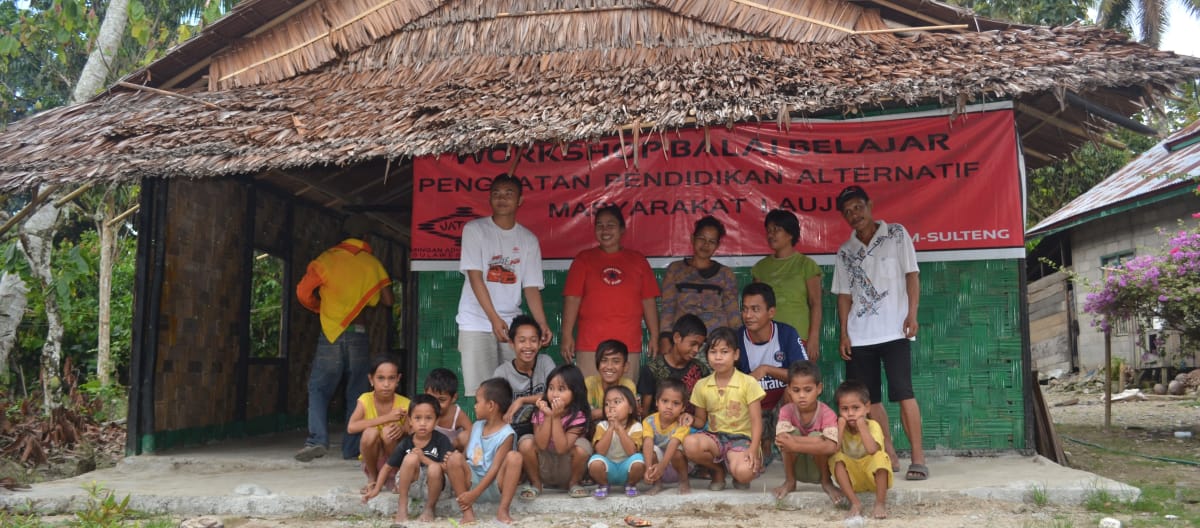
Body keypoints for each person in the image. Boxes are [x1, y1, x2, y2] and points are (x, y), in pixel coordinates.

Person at [831, 185, 927, 481]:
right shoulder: (845, 252)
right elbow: (844, 296)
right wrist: (844, 334)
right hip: (860, 337)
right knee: (869, 401)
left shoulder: (897, 234)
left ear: (870, 205)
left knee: (904, 394)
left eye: (858, 207)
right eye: (847, 212)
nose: (854, 215)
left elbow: (912, 276)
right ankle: (888, 451)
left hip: (896, 331)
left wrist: (912, 314)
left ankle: (919, 459)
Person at [295, 214, 393, 461]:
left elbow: (302, 291)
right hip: (358, 333)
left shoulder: (326, 260)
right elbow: (389, 300)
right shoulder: (372, 263)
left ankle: (317, 440)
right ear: (366, 238)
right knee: (357, 391)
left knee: (318, 388)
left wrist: (319, 306)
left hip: (331, 333)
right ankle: (351, 448)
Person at [457, 174, 552, 395]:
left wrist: (542, 324)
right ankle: (483, 431)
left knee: (514, 390)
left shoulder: (528, 239)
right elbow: (475, 277)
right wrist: (493, 318)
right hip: (476, 322)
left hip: (512, 324)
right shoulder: (475, 229)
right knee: (482, 393)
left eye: (509, 194)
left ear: (520, 200)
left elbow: (531, 287)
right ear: (489, 199)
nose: (502, 198)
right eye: (496, 194)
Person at [562, 205, 661, 380]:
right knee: (591, 400)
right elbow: (572, 299)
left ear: (622, 229)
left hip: (627, 343)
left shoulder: (638, 260)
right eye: (599, 225)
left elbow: (648, 301)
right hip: (590, 344)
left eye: (610, 225)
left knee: (624, 399)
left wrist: (654, 335)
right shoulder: (583, 259)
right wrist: (567, 335)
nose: (605, 230)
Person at [683, 327, 765, 491]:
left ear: (736, 355)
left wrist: (753, 449)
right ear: (707, 355)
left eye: (724, 351)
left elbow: (757, 421)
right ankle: (717, 471)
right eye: (713, 352)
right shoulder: (702, 385)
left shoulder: (748, 382)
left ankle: (736, 471)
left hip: (742, 439)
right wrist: (691, 420)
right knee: (690, 444)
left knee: (744, 473)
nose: (718, 357)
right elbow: (701, 421)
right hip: (715, 438)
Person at [737, 282, 808, 465]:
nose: (748, 315)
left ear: (771, 312)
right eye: (745, 309)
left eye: (755, 309)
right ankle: (762, 443)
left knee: (797, 391)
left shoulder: (786, 333)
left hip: (780, 405)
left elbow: (806, 374)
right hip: (753, 408)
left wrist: (766, 369)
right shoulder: (736, 338)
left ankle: (792, 450)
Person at [362, 394, 452, 523]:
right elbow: (387, 467)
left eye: (428, 418)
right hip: (412, 487)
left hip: (435, 488)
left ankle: (429, 508)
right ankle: (402, 506)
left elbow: (447, 467)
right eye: (417, 418)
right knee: (410, 458)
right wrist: (376, 489)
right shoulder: (406, 442)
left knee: (434, 468)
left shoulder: (441, 440)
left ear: (437, 421)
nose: (422, 423)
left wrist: (424, 459)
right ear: (410, 420)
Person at [445, 378, 523, 524]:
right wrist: (452, 463)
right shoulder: (476, 426)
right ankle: (467, 513)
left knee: (515, 457)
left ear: (491, 405)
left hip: (495, 483)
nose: (474, 406)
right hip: (471, 481)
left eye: (477, 402)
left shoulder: (507, 434)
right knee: (454, 458)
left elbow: (495, 469)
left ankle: (503, 510)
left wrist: (475, 493)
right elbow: (466, 456)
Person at [752, 209, 824, 362]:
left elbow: (816, 304)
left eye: (776, 230)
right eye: (769, 231)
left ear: (791, 234)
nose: (771, 234)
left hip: (799, 336)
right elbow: (755, 307)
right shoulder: (760, 268)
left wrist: (813, 338)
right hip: (767, 338)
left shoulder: (807, 265)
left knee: (800, 382)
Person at [516, 364, 593, 500]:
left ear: (575, 392)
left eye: (561, 389)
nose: (554, 393)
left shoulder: (578, 416)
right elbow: (541, 445)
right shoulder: (541, 411)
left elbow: (562, 448)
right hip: (545, 467)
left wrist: (556, 418)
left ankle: (574, 483)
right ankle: (536, 484)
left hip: (566, 469)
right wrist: (547, 416)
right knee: (526, 441)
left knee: (583, 446)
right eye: (551, 388)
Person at [659, 215, 740, 338]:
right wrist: (665, 337)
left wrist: (736, 341)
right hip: (683, 343)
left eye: (712, 241)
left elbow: (733, 313)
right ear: (692, 238)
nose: (706, 244)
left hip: (716, 344)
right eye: (702, 238)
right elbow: (668, 308)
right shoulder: (675, 270)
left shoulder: (725, 274)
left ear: (717, 245)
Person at [772, 361, 841, 504]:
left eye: (808, 390)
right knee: (794, 435)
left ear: (819, 388)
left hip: (818, 468)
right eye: (796, 390)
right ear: (789, 390)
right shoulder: (786, 410)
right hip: (797, 467)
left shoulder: (826, 413)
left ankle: (826, 482)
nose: (802, 395)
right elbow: (782, 440)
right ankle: (790, 481)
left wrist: (796, 445)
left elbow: (831, 446)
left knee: (815, 436)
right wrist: (817, 442)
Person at [830, 380, 893, 520]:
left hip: (872, 478)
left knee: (880, 457)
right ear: (839, 411)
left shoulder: (873, 425)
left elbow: (872, 449)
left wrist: (861, 426)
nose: (850, 413)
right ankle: (855, 503)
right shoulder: (839, 427)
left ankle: (880, 503)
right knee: (836, 458)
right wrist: (839, 428)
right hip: (852, 480)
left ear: (867, 407)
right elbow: (834, 450)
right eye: (845, 409)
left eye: (856, 408)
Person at [347, 355, 410, 492]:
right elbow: (351, 427)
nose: (386, 384)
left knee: (388, 433)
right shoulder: (365, 400)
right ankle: (373, 477)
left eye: (391, 378)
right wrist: (387, 417)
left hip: (395, 458)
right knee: (370, 433)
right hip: (374, 459)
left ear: (398, 379)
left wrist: (403, 429)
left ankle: (396, 476)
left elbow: (414, 430)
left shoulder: (405, 404)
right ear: (371, 379)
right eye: (380, 378)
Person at [637, 314, 710, 417]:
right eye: (693, 344)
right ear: (677, 338)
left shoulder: (701, 370)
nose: (696, 350)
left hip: (691, 429)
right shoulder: (651, 369)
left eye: (700, 346)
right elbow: (645, 412)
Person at [493, 314, 557, 433]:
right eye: (522, 341)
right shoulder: (502, 373)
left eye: (533, 340)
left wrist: (522, 400)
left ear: (539, 344)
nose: (528, 346)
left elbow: (555, 395)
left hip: (546, 426)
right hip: (514, 430)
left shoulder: (545, 362)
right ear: (512, 344)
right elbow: (497, 410)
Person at [588, 386, 646, 498]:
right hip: (608, 469)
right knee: (594, 462)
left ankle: (630, 485)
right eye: (607, 404)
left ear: (630, 408)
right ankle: (603, 485)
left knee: (639, 461)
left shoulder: (636, 426)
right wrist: (610, 428)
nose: (611, 406)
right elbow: (600, 452)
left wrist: (619, 428)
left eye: (617, 402)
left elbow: (632, 452)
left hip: (627, 469)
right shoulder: (602, 426)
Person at [641, 379, 693, 495]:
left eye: (676, 403)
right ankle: (657, 483)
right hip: (657, 468)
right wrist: (648, 469)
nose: (669, 406)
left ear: (683, 407)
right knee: (652, 450)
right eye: (665, 401)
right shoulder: (649, 421)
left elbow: (674, 443)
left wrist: (662, 466)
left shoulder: (683, 424)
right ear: (657, 402)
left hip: (677, 466)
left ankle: (684, 481)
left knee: (677, 452)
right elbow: (648, 442)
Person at [584, 340, 637, 421]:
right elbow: (585, 415)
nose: (609, 366)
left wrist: (599, 413)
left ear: (625, 366)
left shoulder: (628, 385)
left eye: (616, 361)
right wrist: (618, 411)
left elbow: (628, 414)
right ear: (597, 364)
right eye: (604, 360)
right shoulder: (589, 383)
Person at [425, 368, 471, 451]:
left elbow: (472, 433)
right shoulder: (422, 409)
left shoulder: (457, 414)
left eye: (441, 400)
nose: (435, 404)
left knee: (465, 436)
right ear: (425, 394)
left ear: (454, 398)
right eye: (431, 398)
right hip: (428, 450)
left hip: (451, 452)